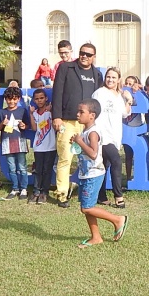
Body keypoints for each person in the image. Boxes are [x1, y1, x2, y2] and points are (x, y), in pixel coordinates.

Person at [70, 99, 129, 248]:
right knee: (86, 207)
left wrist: (80, 141)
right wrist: (77, 142)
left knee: (87, 208)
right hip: (86, 174)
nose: (78, 114)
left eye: (81, 112)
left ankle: (117, 220)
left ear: (92, 115)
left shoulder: (93, 132)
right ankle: (96, 237)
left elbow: (93, 154)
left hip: (93, 174)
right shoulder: (85, 131)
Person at [51, 42, 104, 207]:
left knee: (88, 159)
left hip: (88, 125)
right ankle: (62, 194)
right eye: (82, 53)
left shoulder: (97, 74)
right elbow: (57, 92)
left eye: (89, 54)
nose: (84, 56)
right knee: (65, 158)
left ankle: (88, 191)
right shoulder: (66, 68)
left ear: (94, 57)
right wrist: (56, 117)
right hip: (67, 121)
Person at [93, 67, 133, 208]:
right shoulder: (99, 93)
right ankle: (118, 196)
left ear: (118, 79)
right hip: (102, 136)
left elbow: (124, 113)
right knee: (116, 161)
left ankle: (101, 196)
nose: (110, 80)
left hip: (115, 135)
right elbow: (93, 112)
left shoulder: (119, 96)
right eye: (108, 77)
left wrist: (129, 100)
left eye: (113, 77)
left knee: (105, 165)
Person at [0, 86, 30, 200]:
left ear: (19, 99)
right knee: (12, 168)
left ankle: (24, 189)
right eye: (9, 99)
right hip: (7, 143)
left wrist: (23, 126)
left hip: (20, 143)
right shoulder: (2, 112)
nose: (12, 101)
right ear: (6, 99)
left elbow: (27, 125)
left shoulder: (22, 111)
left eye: (14, 99)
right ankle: (15, 188)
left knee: (22, 167)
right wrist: (3, 123)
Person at [29, 88, 57, 205]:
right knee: (38, 169)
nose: (39, 100)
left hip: (51, 146)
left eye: (41, 98)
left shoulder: (50, 112)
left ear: (46, 98)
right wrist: (31, 114)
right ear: (34, 100)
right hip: (39, 146)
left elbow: (55, 126)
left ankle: (44, 192)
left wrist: (51, 112)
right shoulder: (35, 113)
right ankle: (36, 191)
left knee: (47, 170)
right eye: (37, 99)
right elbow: (34, 128)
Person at [123, 75, 144, 182]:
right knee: (128, 155)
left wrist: (139, 89)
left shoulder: (139, 96)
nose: (127, 86)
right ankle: (128, 176)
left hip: (136, 129)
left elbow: (145, 97)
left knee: (139, 154)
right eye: (126, 83)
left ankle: (139, 177)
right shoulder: (122, 96)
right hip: (125, 129)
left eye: (130, 84)